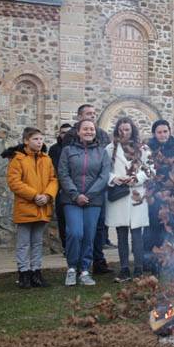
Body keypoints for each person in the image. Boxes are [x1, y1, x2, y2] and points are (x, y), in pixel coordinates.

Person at [57, 119, 111, 287]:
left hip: (93, 201)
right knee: (75, 233)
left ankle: (85, 270)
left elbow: (104, 176)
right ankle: (72, 268)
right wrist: (76, 195)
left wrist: (88, 194)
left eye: (92, 129)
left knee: (89, 235)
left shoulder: (102, 152)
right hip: (71, 200)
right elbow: (63, 174)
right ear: (78, 132)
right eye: (85, 129)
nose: (89, 131)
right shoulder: (67, 151)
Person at [3, 127, 57, 288]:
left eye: (41, 139)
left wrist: (47, 195)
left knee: (37, 242)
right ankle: (24, 272)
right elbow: (14, 182)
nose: (39, 142)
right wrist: (34, 196)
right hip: (26, 206)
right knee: (24, 243)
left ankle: (36, 272)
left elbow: (53, 179)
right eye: (35, 139)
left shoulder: (46, 160)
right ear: (26, 141)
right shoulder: (18, 160)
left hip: (42, 206)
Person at [105, 117, 150, 282]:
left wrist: (136, 178)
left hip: (136, 195)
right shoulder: (110, 149)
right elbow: (105, 170)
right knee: (121, 233)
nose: (124, 133)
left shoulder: (143, 148)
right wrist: (114, 179)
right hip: (119, 195)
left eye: (127, 129)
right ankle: (124, 269)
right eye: (121, 130)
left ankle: (138, 268)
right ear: (117, 130)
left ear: (132, 130)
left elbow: (150, 169)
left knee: (137, 233)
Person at [75, 104, 112, 274]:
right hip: (76, 193)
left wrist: (94, 190)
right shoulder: (71, 136)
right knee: (77, 231)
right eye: (88, 114)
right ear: (79, 117)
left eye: (94, 114)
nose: (91, 116)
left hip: (98, 191)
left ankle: (98, 260)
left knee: (97, 228)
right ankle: (77, 265)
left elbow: (105, 166)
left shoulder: (102, 135)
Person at [143, 119, 174, 268]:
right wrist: (156, 191)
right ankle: (150, 261)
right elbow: (146, 172)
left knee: (173, 228)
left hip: (173, 195)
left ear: (169, 131)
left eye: (165, 131)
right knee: (153, 229)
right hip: (154, 196)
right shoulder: (148, 149)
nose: (162, 135)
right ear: (154, 134)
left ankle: (172, 260)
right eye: (159, 132)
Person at [48, 123, 74, 249]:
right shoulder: (54, 149)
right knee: (62, 218)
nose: (66, 135)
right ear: (59, 134)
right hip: (60, 189)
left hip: (76, 188)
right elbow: (53, 168)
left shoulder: (77, 147)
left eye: (68, 132)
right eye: (63, 132)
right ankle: (65, 247)